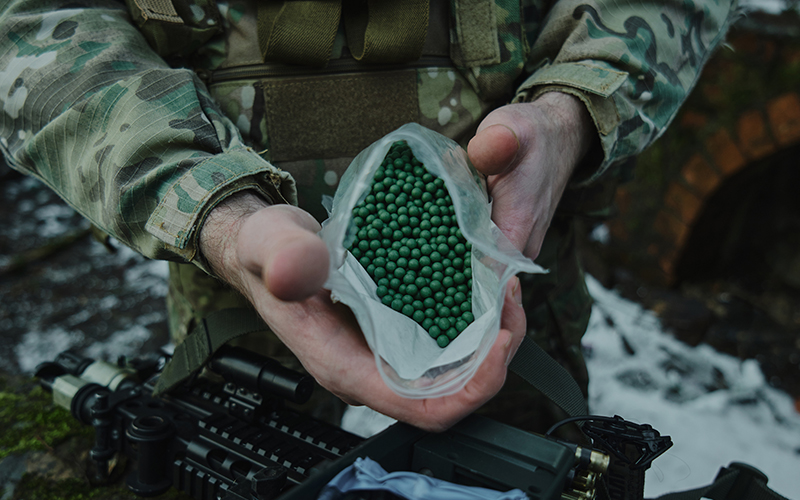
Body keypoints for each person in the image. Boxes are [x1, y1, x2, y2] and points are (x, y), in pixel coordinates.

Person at [0, 0, 736, 432]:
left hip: (505, 297)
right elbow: (30, 23)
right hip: (236, 294)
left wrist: (573, 110)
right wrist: (210, 207)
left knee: (525, 472)